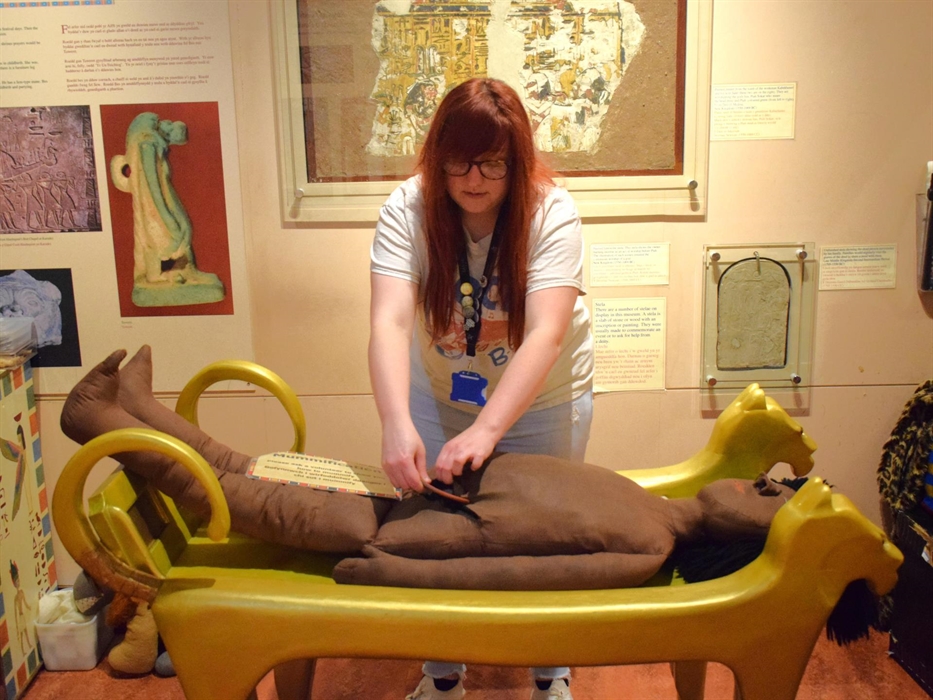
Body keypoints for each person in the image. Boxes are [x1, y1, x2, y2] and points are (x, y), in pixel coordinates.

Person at [369, 77, 594, 700]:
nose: (474, 179)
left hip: (541, 396)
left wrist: (489, 429)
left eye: (493, 162)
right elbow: (387, 320)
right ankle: (442, 677)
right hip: (440, 388)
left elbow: (546, 333)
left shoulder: (552, 211)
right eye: (459, 161)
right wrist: (395, 421)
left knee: (545, 535)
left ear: (515, 161)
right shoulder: (407, 208)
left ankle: (551, 675)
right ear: (437, 156)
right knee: (440, 534)